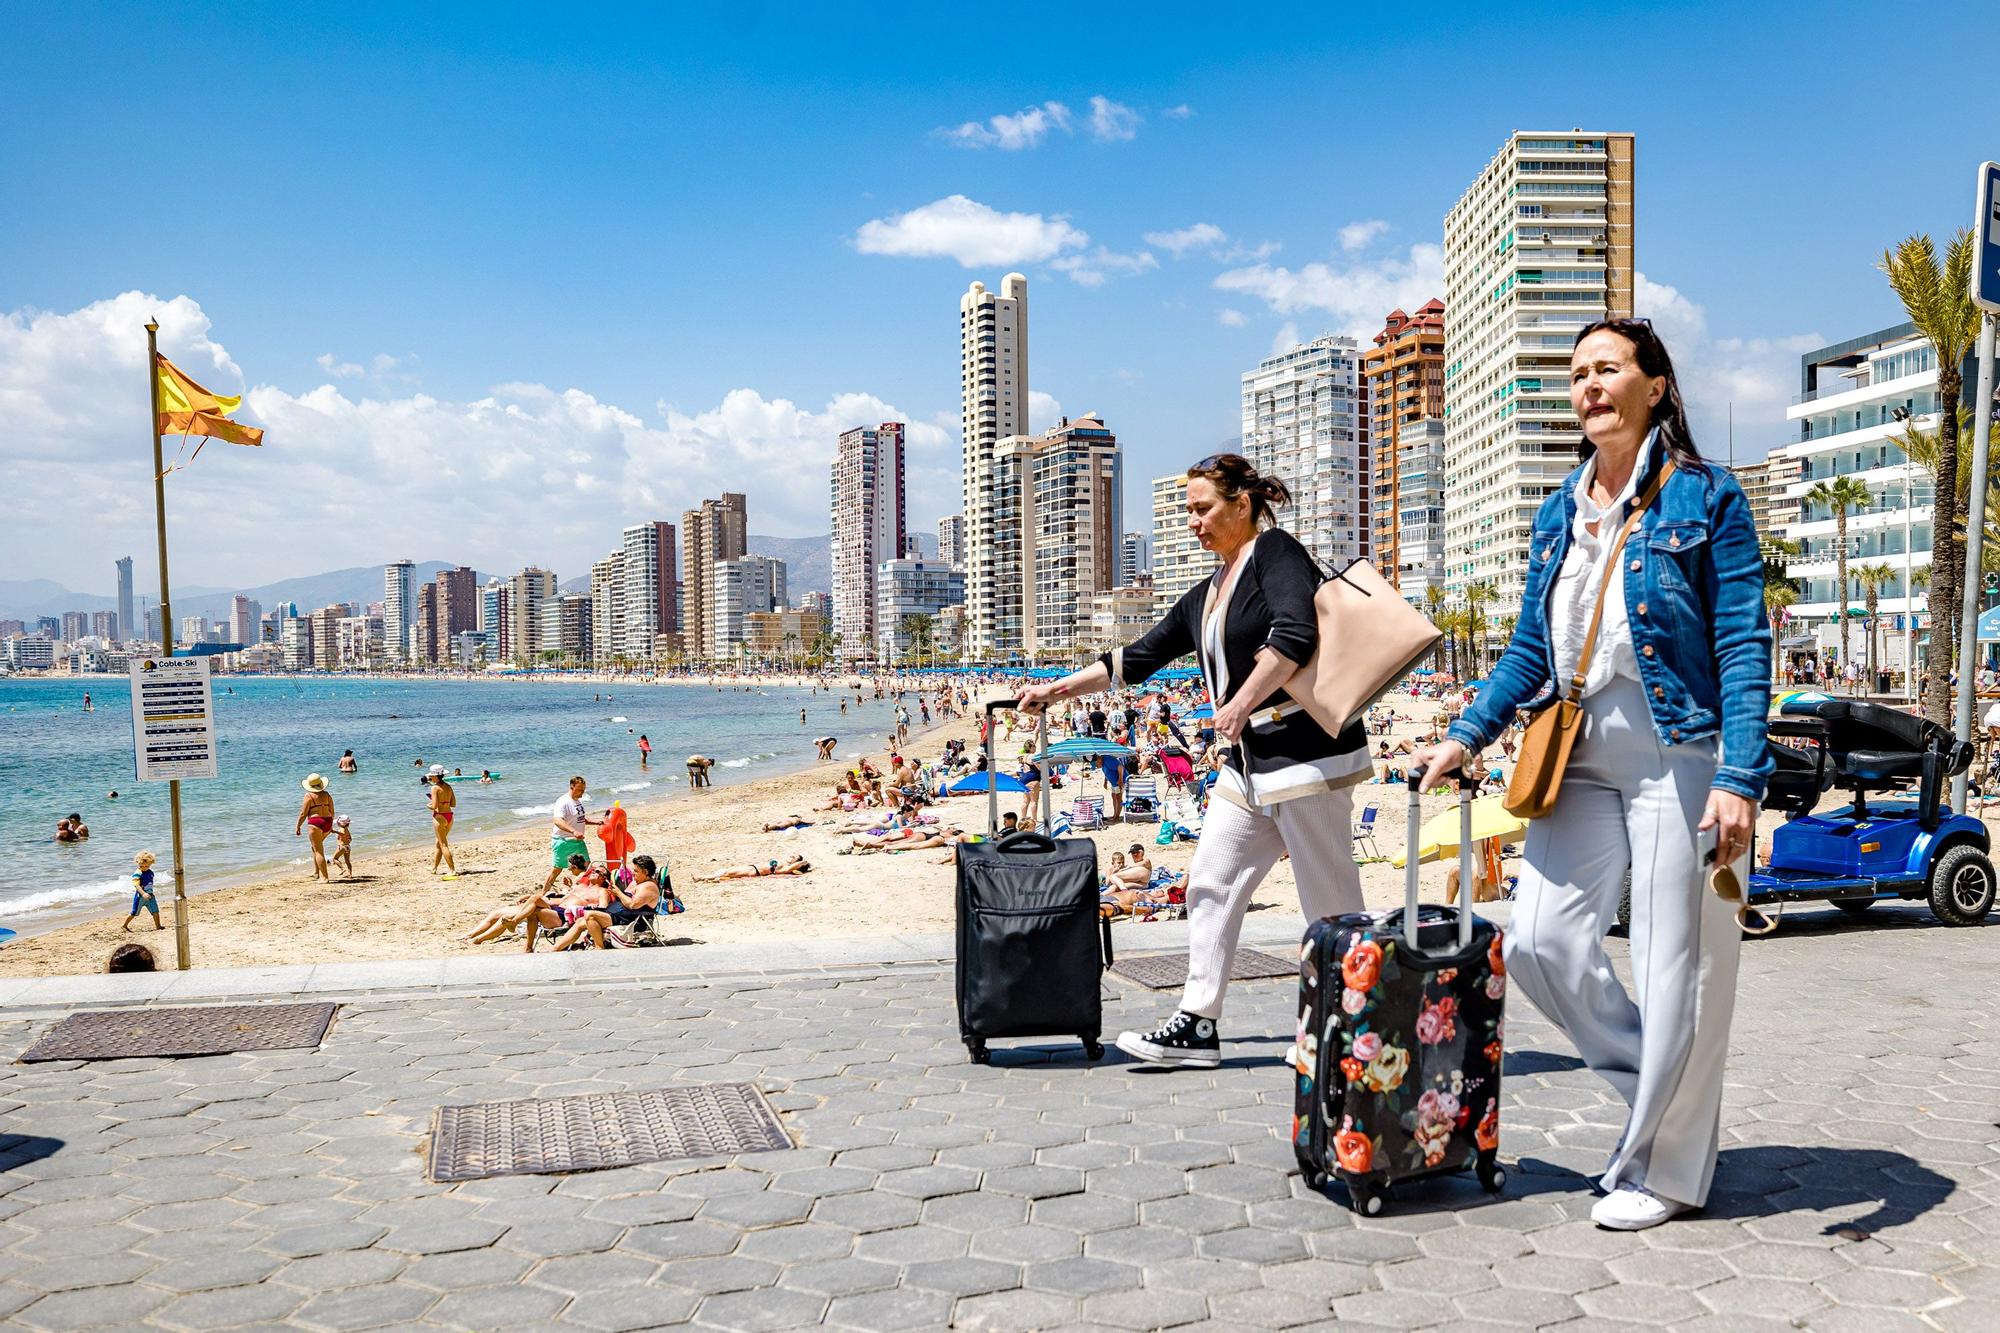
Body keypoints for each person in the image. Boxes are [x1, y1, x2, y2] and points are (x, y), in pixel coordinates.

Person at [1412, 317, 1770, 1232]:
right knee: (1539, 942)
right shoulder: (1560, 507)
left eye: (1608, 369)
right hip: (1575, 749)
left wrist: (1739, 773)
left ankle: (1671, 1163)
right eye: (1577, 374)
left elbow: (1740, 642)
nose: (1589, 386)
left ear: (1656, 384)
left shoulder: (1707, 498)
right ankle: (1663, 1092)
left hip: (1676, 748)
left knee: (1675, 962)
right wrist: (1467, 734)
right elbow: (1531, 647)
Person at [1018, 452, 1369, 1070]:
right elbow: (1137, 657)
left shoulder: (1275, 553)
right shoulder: (1210, 592)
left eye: (1203, 508)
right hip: (1249, 768)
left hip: (1305, 758)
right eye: (1188, 511)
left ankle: (1350, 1031)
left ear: (1242, 504)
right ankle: (1198, 1023)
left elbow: (1295, 634)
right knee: (1208, 882)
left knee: (1330, 904)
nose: (1193, 522)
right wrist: (1055, 690)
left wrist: (1237, 704)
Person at [542, 776, 597, 893]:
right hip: (563, 841)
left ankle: (589, 892)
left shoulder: (577, 801)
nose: (582, 792)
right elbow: (558, 821)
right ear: (572, 787)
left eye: (583, 790)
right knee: (557, 870)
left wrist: (597, 822)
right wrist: (573, 831)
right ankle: (543, 894)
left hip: (578, 842)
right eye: (580, 790)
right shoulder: (563, 802)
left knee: (588, 867)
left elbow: (580, 819)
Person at [295, 774, 335, 882]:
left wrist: (298, 826)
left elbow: (303, 813)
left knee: (318, 851)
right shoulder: (327, 795)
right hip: (327, 821)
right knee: (315, 848)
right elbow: (332, 811)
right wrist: (330, 825)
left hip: (315, 823)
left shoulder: (309, 796)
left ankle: (325, 877)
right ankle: (316, 872)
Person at [422, 767, 458, 878]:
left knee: (443, 844)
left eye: (431, 775)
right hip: (449, 817)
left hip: (440, 817)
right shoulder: (448, 786)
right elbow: (453, 804)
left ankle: (452, 870)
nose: (430, 777)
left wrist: (428, 805)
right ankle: (434, 868)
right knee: (439, 843)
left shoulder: (435, 788)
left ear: (436, 776)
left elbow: (434, 806)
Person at [699, 854, 811, 881]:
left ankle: (701, 877)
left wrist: (802, 863)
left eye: (794, 857)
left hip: (755, 871)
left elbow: (795, 866)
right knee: (726, 872)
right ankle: (709, 878)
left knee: (727, 873)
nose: (791, 856)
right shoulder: (783, 863)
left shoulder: (786, 868)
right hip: (752, 867)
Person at [124, 851, 162, 932]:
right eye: (142, 866)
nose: (144, 867)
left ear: (151, 863)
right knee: (134, 913)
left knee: (155, 911)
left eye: (147, 866)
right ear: (137, 863)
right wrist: (143, 893)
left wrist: (149, 892)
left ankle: (158, 926)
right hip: (140, 897)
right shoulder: (137, 873)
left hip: (150, 896)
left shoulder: (150, 872)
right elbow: (136, 885)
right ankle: (124, 925)